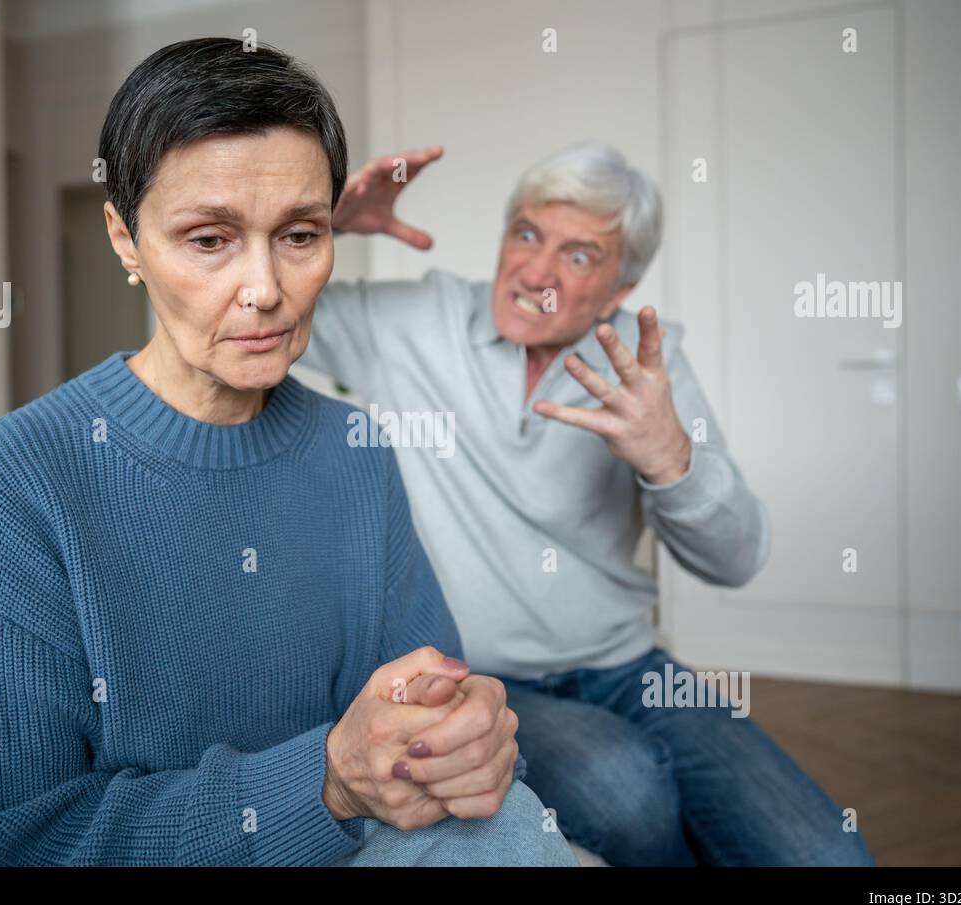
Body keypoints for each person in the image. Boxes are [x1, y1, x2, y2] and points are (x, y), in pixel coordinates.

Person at [0, 37, 576, 867]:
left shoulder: (356, 450)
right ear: (125, 240)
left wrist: (467, 738)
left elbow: (426, 710)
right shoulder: (20, 477)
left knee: (508, 824)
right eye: (209, 240)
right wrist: (326, 783)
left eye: (301, 235)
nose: (265, 288)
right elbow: (11, 839)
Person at [302, 141, 876, 866]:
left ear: (616, 291)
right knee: (626, 790)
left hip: (624, 663)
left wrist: (673, 463)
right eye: (528, 234)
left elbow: (738, 558)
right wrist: (327, 226)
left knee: (832, 857)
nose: (536, 271)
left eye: (578, 257)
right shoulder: (415, 321)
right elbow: (263, 308)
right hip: (476, 675)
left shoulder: (644, 366)